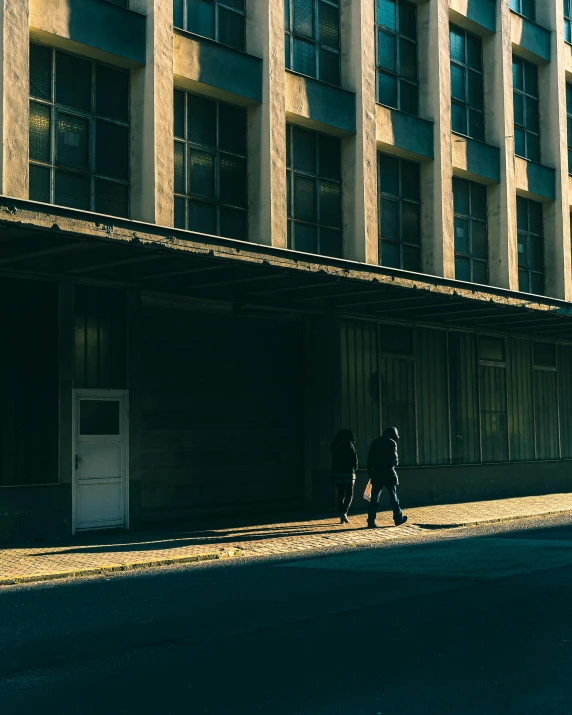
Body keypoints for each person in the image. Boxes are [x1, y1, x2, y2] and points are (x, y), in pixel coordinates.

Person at [366, 427, 408, 528]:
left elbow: (369, 459)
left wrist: (371, 473)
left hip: (376, 474)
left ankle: (371, 521)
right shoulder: (392, 443)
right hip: (389, 473)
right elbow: (395, 461)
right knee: (393, 497)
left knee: (374, 498)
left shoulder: (375, 442)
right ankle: (398, 518)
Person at [331, 429, 358, 524]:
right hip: (348, 473)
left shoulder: (335, 445)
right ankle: (344, 512)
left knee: (340, 494)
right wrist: (355, 469)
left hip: (337, 473)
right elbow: (354, 459)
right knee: (349, 494)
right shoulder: (349, 445)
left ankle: (341, 513)